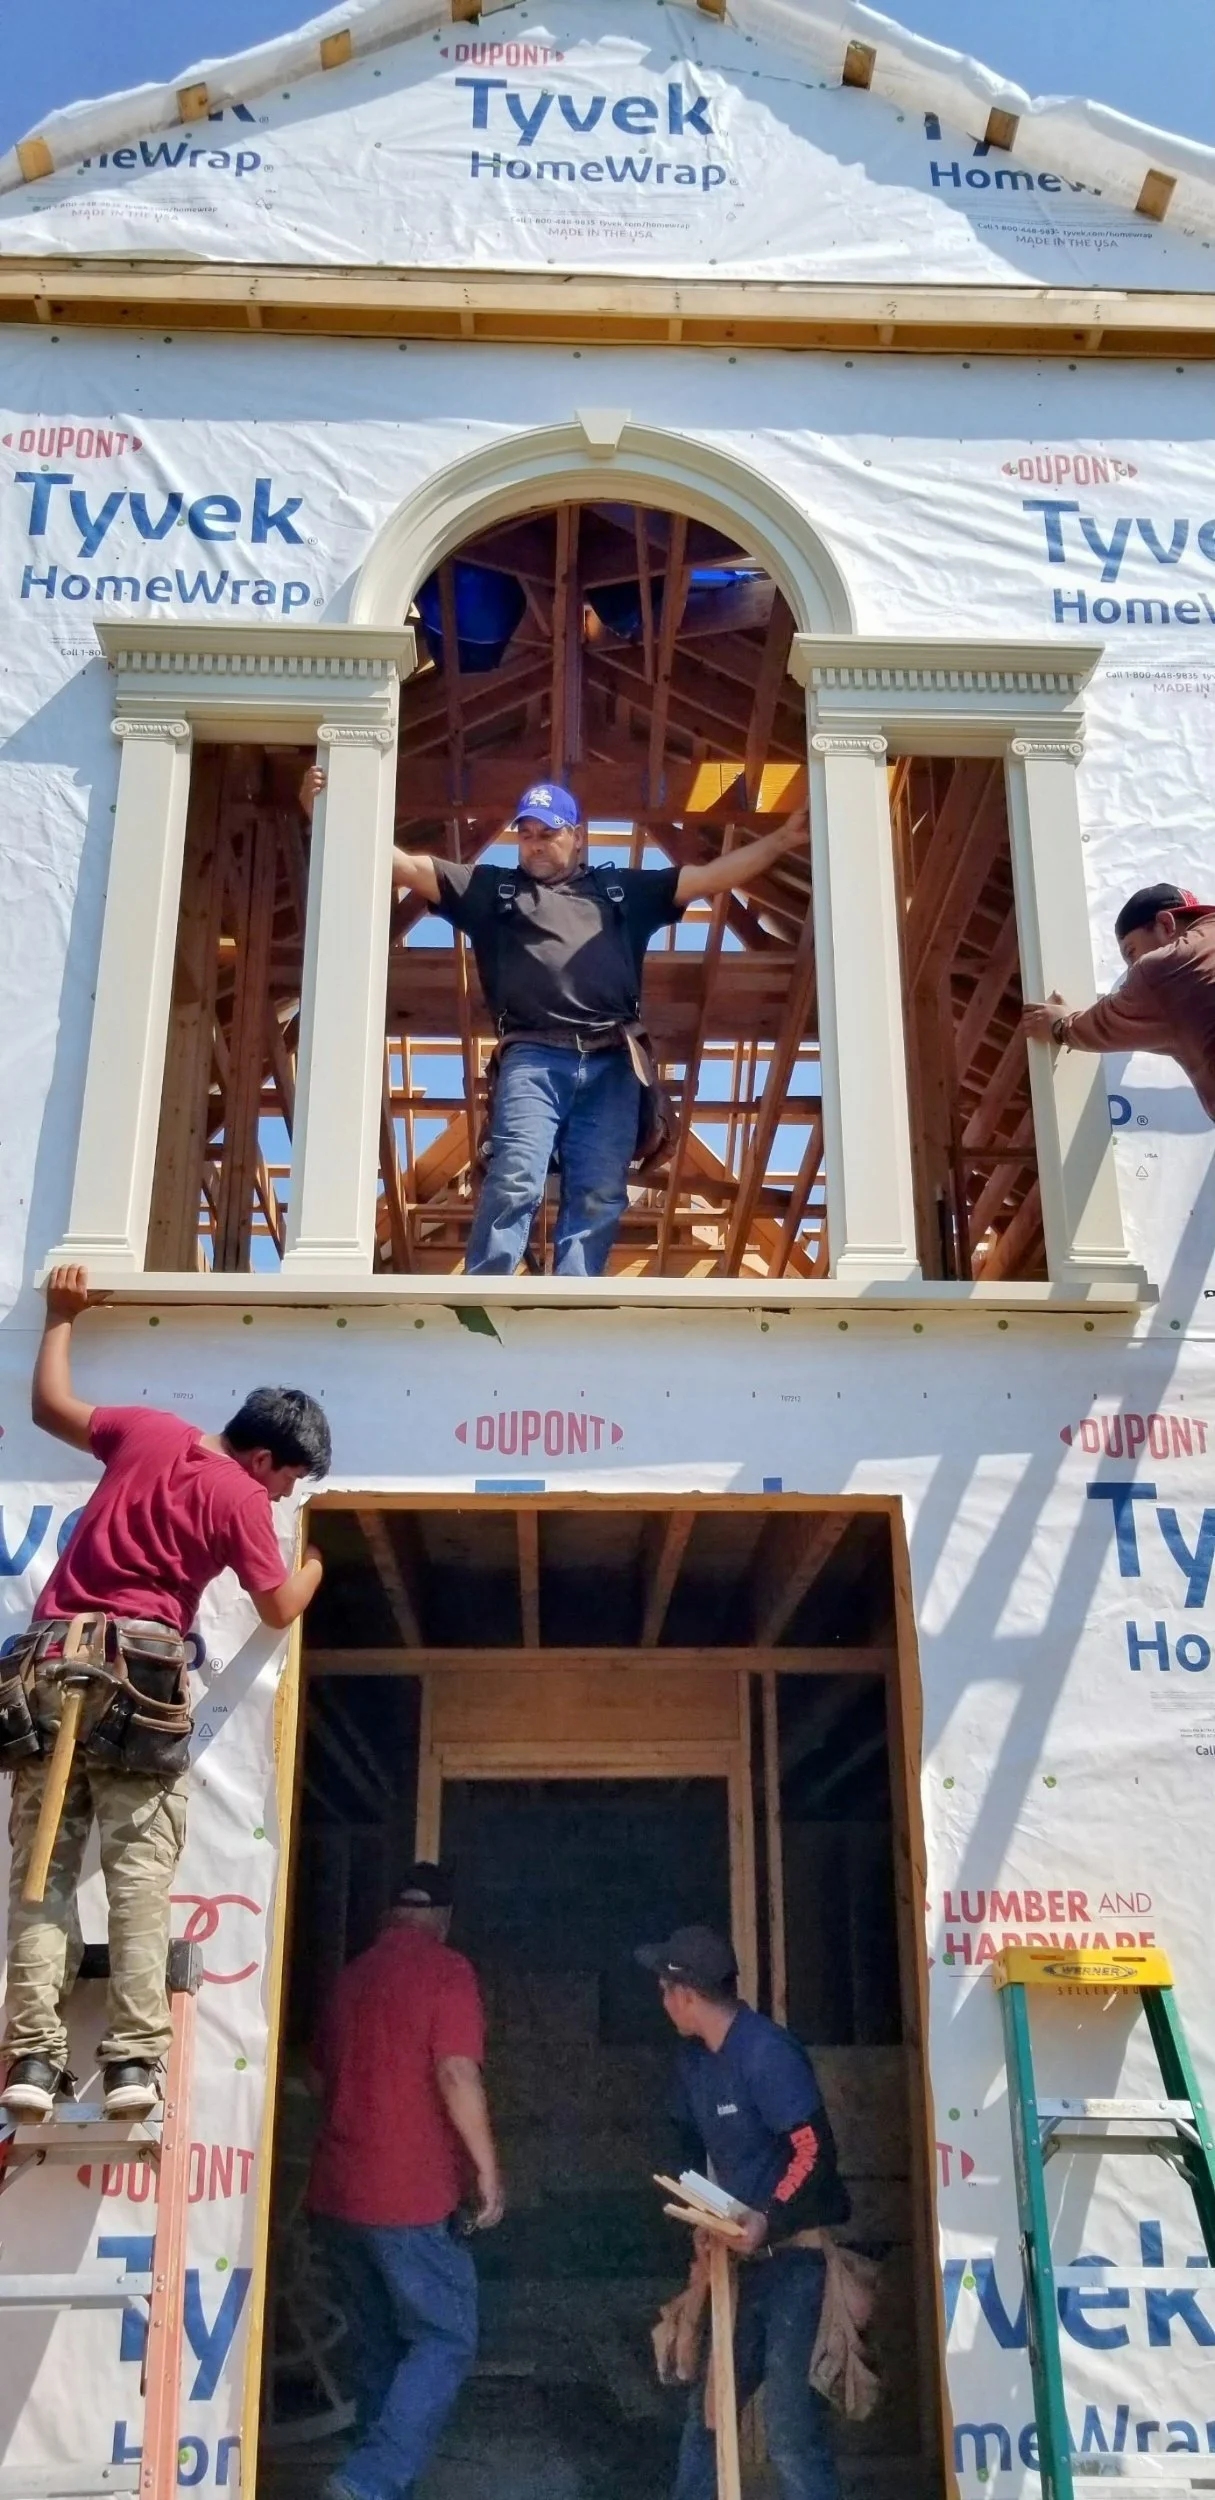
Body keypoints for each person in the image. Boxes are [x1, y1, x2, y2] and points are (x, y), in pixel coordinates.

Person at [1, 1265, 330, 2120]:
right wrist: (314, 1566)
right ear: (262, 1457)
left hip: (49, 1663)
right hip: (137, 1679)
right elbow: (276, 1607)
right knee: (138, 1878)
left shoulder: (148, 1430)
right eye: (288, 1478)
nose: (284, 1494)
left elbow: (49, 1408)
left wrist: (61, 1316)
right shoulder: (238, 1496)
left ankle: (31, 2060)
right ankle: (132, 2066)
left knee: (42, 1873)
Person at [300, 764, 809, 1274]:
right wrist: (327, 813)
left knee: (600, 1191)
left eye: (548, 833)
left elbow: (710, 877)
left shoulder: (620, 892)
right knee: (515, 1175)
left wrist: (783, 840)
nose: (535, 845)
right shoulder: (493, 891)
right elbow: (406, 867)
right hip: (533, 1057)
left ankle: (574, 1296)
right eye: (526, 835)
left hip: (614, 1061)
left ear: (577, 836)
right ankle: (486, 1287)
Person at [308, 1861, 504, 2500]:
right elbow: (456, 2072)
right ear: (443, 1919)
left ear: (391, 1914)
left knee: (379, 2346)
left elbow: (317, 2075)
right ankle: (369, 2480)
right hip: (408, 2196)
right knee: (447, 2336)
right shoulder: (448, 1972)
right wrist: (487, 2170)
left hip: (337, 2193)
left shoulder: (351, 1977)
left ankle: (376, 2484)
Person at [637, 1923, 849, 2500]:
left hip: (795, 2264)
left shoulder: (766, 2053)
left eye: (664, 1990)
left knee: (789, 2433)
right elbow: (684, 2148)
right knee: (709, 2416)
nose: (662, 2002)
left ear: (686, 1994)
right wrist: (700, 2219)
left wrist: (767, 2218)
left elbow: (813, 2151)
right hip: (736, 2266)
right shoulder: (695, 2062)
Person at [1021, 882, 1215, 1118]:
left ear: (1166, 924)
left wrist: (1060, 1027)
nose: (1132, 968)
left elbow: (1104, 1024)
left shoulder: (1164, 968)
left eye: (1131, 952)